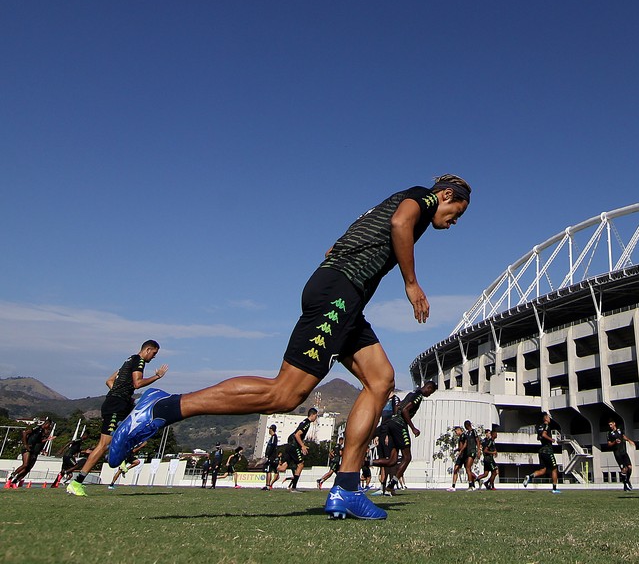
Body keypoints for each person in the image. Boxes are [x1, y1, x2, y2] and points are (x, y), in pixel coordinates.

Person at [109, 175, 471, 521]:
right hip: (340, 292)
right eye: (457, 214)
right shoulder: (422, 197)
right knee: (285, 394)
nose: (454, 223)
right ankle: (163, 407)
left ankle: (346, 487)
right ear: (446, 196)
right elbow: (399, 224)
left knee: (381, 380)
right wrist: (411, 283)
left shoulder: (386, 205)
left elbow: (336, 246)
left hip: (341, 293)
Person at [66, 340, 167, 496]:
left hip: (116, 403)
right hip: (115, 406)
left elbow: (110, 381)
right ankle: (77, 482)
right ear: (148, 349)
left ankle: (122, 457)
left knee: (119, 437)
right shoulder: (139, 361)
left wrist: (123, 397)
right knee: (103, 445)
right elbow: (138, 383)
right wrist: (157, 376)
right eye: (154, 353)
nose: (153, 357)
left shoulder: (128, 360)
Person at [372, 381, 437, 493]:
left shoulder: (411, 394)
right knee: (407, 458)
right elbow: (405, 410)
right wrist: (413, 428)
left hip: (392, 424)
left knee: (392, 460)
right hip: (400, 425)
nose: (429, 394)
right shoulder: (418, 396)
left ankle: (365, 463)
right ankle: (391, 485)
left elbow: (398, 406)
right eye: (430, 393)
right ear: (428, 388)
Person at [523, 412, 561, 493]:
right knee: (554, 469)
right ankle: (554, 489)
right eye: (548, 416)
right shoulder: (546, 426)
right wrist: (551, 439)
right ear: (546, 418)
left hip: (541, 451)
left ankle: (529, 476)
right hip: (548, 450)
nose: (549, 418)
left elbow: (539, 437)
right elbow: (544, 435)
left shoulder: (540, 427)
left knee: (543, 470)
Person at [8, 419, 53, 487]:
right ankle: (12, 476)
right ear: (46, 424)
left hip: (32, 450)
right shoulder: (37, 429)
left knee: (27, 468)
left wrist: (47, 440)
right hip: (27, 448)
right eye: (49, 425)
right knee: (25, 465)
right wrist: (25, 444)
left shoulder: (41, 432)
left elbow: (38, 441)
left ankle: (15, 482)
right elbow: (24, 433)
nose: (50, 427)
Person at [284, 408, 318, 492]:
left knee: (283, 467)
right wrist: (302, 446)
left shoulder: (304, 422)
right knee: (301, 464)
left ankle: (292, 480)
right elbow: (297, 434)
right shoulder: (307, 423)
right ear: (312, 415)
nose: (316, 418)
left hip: (290, 444)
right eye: (316, 416)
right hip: (293, 445)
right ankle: (293, 487)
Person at [607, 419, 635, 491]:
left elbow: (623, 436)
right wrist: (614, 442)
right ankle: (625, 485)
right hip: (617, 453)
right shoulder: (609, 433)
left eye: (611, 424)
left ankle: (627, 480)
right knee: (624, 469)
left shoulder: (619, 430)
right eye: (609, 425)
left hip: (623, 452)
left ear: (614, 424)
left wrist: (629, 440)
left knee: (630, 467)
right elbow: (609, 444)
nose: (610, 426)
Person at [447, 426, 467, 491]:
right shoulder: (460, 437)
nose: (455, 433)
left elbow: (465, 444)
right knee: (456, 469)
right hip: (461, 455)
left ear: (459, 430)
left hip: (464, 455)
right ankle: (453, 486)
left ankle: (475, 480)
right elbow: (460, 446)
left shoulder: (464, 435)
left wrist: (461, 451)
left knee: (468, 470)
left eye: (456, 432)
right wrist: (456, 450)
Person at [262, 425, 279, 490]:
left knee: (268, 471)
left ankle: (268, 485)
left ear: (271, 429)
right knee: (275, 471)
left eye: (269, 429)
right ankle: (269, 485)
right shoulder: (273, 437)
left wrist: (267, 455)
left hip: (271, 457)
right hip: (272, 456)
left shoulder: (274, 437)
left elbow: (272, 447)